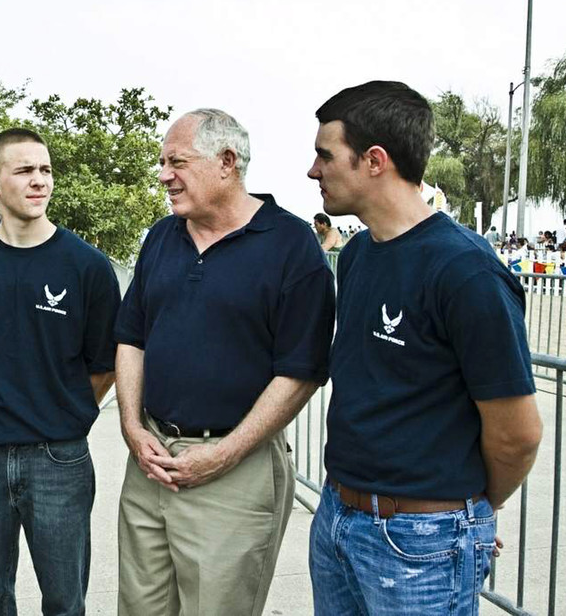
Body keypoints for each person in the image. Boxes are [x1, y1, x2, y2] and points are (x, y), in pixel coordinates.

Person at [306, 81, 542, 614]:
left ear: (374, 160)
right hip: (338, 519)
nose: (313, 170)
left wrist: (469, 516)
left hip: (420, 543)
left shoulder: (465, 271)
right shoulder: (361, 252)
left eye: (325, 155)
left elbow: (517, 435)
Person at [115, 109, 335, 616]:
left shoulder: (290, 245)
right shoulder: (162, 237)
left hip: (233, 470)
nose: (164, 174)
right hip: (150, 460)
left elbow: (301, 370)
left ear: (227, 162)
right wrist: (131, 426)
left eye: (178, 162)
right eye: (162, 161)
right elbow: (132, 337)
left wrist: (226, 454)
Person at [0, 128, 120, 616]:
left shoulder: (88, 267)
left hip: (58, 458)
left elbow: (104, 367)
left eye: (46, 170)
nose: (39, 181)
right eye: (24, 171)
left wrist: (65, 409)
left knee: (64, 599)